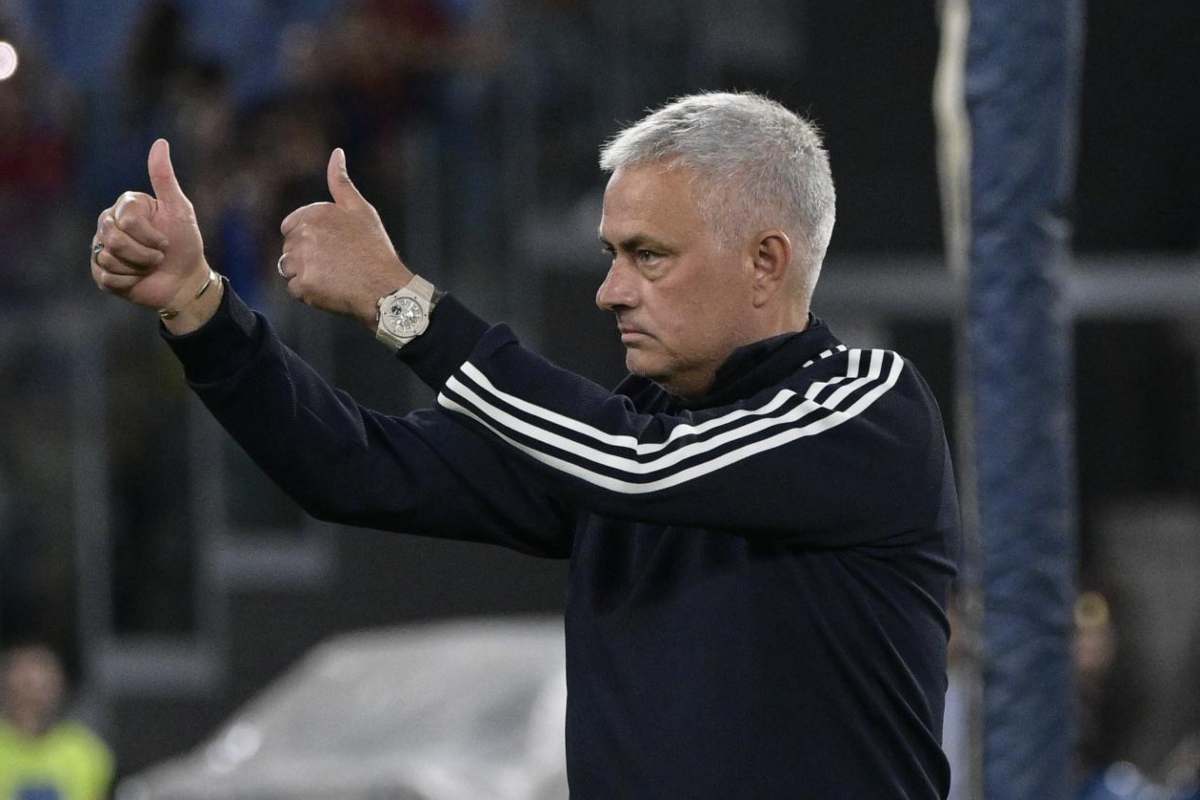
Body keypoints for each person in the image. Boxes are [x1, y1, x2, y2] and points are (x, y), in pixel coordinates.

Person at [90, 92, 960, 798]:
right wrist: (199, 307)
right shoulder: (621, 437)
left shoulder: (866, 408)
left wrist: (403, 304)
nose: (610, 291)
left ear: (767, 261)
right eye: (611, 254)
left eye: (649, 256)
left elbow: (641, 466)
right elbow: (353, 468)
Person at [0, 644, 114, 800]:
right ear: (7, 691)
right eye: (26, 686)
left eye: (43, 687)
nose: (34, 698)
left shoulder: (87, 751)